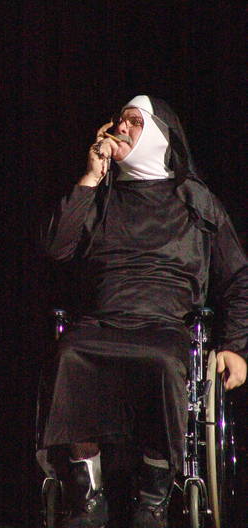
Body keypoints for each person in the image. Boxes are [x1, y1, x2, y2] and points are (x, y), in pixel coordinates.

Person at [37, 95, 247, 528]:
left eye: (133, 121)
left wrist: (235, 346)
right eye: (118, 120)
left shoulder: (195, 198)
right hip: (103, 320)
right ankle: (87, 495)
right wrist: (91, 176)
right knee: (69, 355)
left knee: (164, 363)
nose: (120, 127)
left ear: (159, 135)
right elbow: (56, 248)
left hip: (166, 325)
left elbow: (238, 277)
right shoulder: (101, 195)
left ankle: (152, 498)